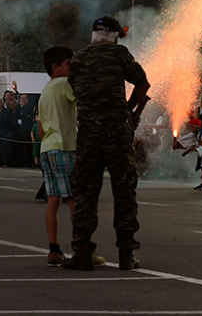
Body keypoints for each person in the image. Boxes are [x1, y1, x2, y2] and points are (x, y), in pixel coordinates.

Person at [64, 17, 149, 271]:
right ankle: (126, 254)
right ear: (114, 35)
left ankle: (82, 252)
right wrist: (128, 110)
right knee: (124, 191)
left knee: (85, 193)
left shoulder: (78, 58)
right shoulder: (119, 54)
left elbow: (74, 89)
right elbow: (143, 83)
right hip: (117, 132)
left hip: (88, 132)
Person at [37, 46, 79, 266]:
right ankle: (81, 248)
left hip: (47, 148)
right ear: (56, 67)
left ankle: (54, 250)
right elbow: (84, 102)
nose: (73, 68)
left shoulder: (45, 90)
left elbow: (40, 129)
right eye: (69, 64)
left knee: (53, 200)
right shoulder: (65, 84)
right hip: (65, 147)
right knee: (74, 199)